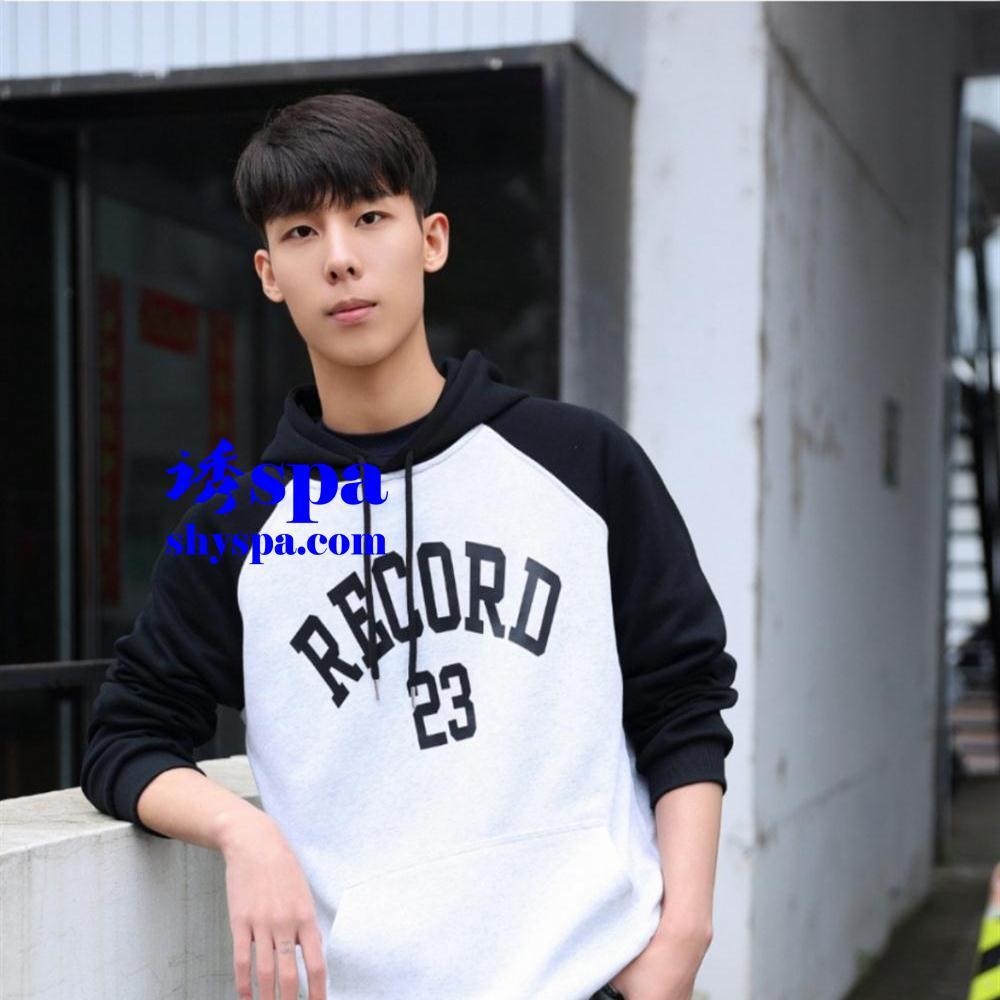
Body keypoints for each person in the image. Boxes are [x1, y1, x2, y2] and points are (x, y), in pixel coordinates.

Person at [80, 92, 739, 1000]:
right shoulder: (242, 522)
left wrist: (684, 934)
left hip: (595, 979)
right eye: (302, 232)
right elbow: (126, 736)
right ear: (269, 274)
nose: (340, 258)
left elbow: (682, 695)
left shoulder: (579, 462)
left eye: (369, 217)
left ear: (430, 240)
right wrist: (244, 832)